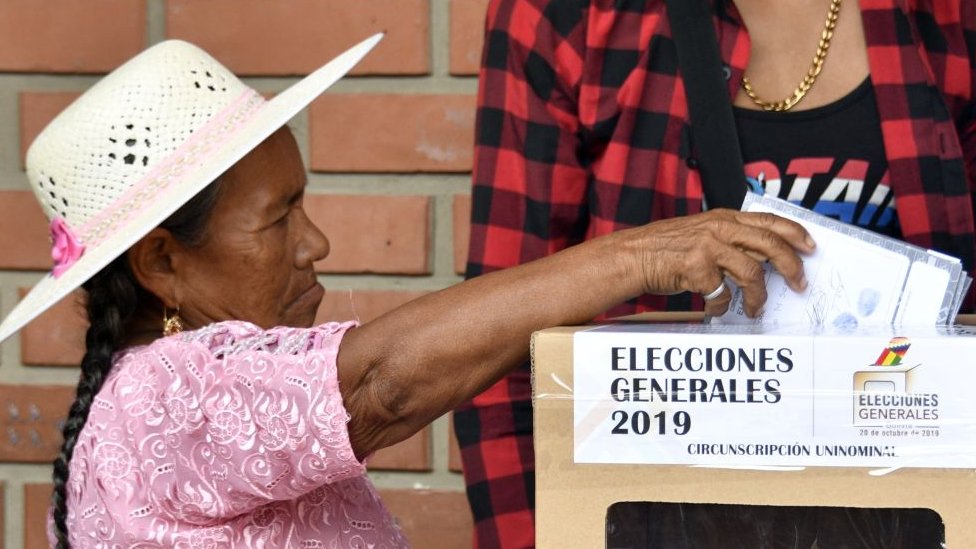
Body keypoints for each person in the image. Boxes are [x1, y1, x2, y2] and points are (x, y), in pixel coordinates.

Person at [0, 36, 815, 548]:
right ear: (162, 263)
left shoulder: (152, 406)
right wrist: (643, 259)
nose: (314, 243)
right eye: (280, 219)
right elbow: (382, 383)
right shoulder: (158, 393)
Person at [457, 0, 976, 546]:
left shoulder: (948, 17)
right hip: (646, 510)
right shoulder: (565, 14)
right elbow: (499, 349)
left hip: (907, 511)